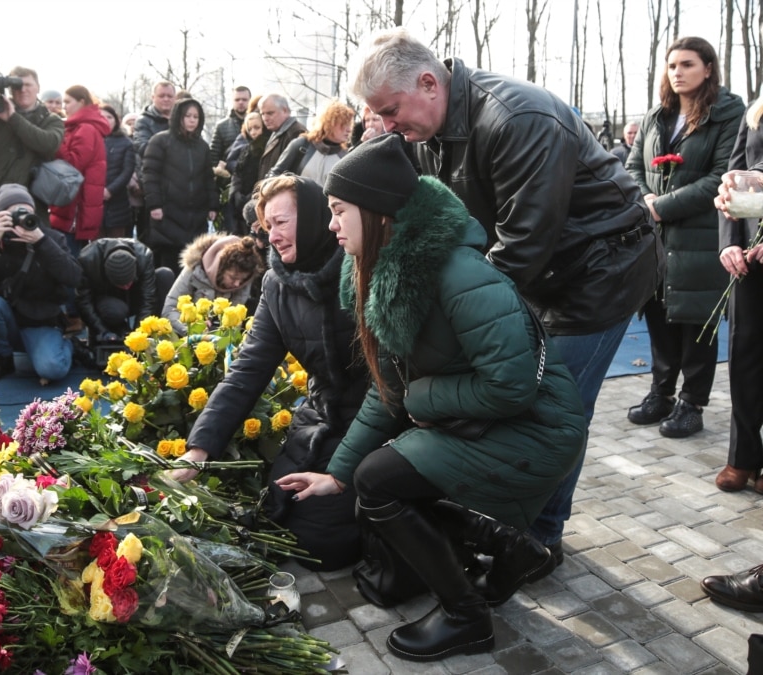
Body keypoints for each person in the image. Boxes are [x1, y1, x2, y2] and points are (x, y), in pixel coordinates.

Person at [355, 28, 662, 572]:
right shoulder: (426, 130)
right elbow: (444, 224)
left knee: (556, 409)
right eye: (379, 116)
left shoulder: (519, 118)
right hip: (544, 271)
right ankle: (504, 521)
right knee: (516, 397)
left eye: (389, 110)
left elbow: (523, 244)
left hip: (600, 271)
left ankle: (538, 539)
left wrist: (457, 322)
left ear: (428, 82)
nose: (386, 127)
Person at [275, 133, 585, 662]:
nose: (331, 225)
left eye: (338, 210)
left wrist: (424, 398)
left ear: (375, 213)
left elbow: (509, 383)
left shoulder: (455, 272)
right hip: (498, 420)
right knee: (373, 477)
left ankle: (467, 617)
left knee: (381, 480)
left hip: (538, 426)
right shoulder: (384, 272)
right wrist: (336, 474)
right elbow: (387, 389)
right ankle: (510, 546)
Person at [173, 175, 372, 572]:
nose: (273, 236)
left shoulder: (363, 267)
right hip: (320, 416)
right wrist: (200, 451)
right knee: (275, 514)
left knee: (323, 547)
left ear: (316, 218)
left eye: (282, 222)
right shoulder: (276, 284)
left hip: (375, 421)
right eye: (267, 226)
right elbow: (247, 371)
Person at [624, 37, 743, 440]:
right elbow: (630, 166)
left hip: (701, 237)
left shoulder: (728, 113)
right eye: (672, 65)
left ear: (708, 68)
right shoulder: (658, 115)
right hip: (656, 240)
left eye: (687, 65)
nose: (677, 72)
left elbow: (721, 176)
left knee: (696, 323)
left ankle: (692, 404)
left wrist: (662, 206)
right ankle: (661, 393)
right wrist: (646, 200)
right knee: (658, 316)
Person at [0, 183, 80, 383]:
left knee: (52, 369)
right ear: (0, 217)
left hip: (41, 321)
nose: (22, 220)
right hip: (5, 320)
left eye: (28, 214)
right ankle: (3, 358)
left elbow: (74, 277)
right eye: (15, 215)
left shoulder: (52, 238)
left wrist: (41, 242)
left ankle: (69, 345)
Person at [712, 102, 763, 491]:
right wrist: (729, 243)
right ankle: (742, 457)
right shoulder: (755, 110)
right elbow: (732, 182)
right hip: (749, 258)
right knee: (744, 355)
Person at [0, 65, 64, 241]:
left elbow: (48, 144)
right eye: (16, 85)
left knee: (33, 262)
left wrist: (13, 118)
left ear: (38, 87)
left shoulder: (50, 120)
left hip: (32, 205)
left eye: (28, 85)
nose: (23, 90)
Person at [141, 97, 218, 272]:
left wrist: (213, 205)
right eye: (187, 116)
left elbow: (208, 178)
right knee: (167, 265)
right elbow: (150, 175)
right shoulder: (160, 141)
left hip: (195, 214)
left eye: (195, 117)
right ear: (178, 117)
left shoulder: (203, 147)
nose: (192, 120)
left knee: (193, 265)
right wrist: (154, 204)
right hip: (167, 213)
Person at [161, 233, 263, 334]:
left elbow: (235, 320)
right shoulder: (194, 270)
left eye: (242, 280)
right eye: (232, 277)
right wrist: (191, 328)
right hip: (186, 334)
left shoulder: (244, 280)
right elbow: (170, 309)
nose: (237, 284)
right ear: (220, 269)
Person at [48, 86, 110, 252]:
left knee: (67, 263)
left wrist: (56, 139)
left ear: (81, 102)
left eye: (68, 102)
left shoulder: (86, 128)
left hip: (74, 211)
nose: (64, 106)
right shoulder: (81, 126)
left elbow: (73, 165)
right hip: (75, 208)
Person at [75, 238, 167, 343]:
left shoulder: (144, 255)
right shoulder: (88, 259)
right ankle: (116, 328)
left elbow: (148, 299)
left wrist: (139, 334)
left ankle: (160, 332)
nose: (126, 287)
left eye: (129, 282)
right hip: (106, 301)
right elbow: (83, 302)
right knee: (115, 310)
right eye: (121, 285)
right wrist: (102, 331)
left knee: (164, 275)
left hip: (134, 297)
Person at [266, 99, 353, 185]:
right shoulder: (302, 145)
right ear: (329, 123)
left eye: (349, 124)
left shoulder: (345, 158)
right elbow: (274, 175)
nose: (349, 129)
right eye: (343, 124)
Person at [224, 112, 266, 236]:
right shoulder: (246, 149)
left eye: (257, 128)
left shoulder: (267, 148)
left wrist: (252, 195)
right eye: (250, 129)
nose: (253, 132)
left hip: (257, 199)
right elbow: (238, 172)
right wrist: (236, 193)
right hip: (241, 202)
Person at [99, 103, 135, 238]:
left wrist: (110, 190)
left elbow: (127, 171)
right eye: (101, 117)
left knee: (117, 244)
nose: (105, 120)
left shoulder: (125, 142)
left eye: (109, 117)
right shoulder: (90, 139)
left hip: (118, 200)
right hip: (93, 201)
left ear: (116, 120)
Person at [256, 93, 307, 179]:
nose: (265, 118)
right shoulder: (277, 131)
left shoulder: (296, 133)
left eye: (270, 113)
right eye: (262, 114)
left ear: (285, 110)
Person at [131, 81, 176, 157]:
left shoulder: (182, 120)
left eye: (170, 96)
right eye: (161, 96)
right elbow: (143, 148)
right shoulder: (143, 121)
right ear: (153, 97)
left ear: (175, 98)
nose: (166, 99)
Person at [211, 85, 251, 164]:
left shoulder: (259, 125)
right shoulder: (221, 126)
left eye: (244, 99)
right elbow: (213, 156)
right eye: (237, 100)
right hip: (228, 173)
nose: (241, 102)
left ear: (250, 100)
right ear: (232, 101)